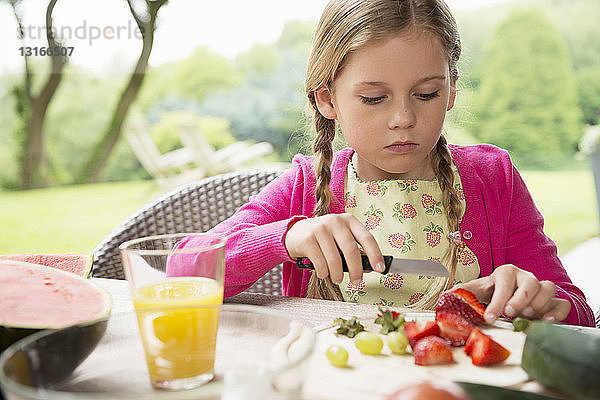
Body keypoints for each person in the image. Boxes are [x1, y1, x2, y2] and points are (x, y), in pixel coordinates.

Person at [175, 0, 594, 326]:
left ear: (451, 90)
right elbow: (182, 270)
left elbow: (578, 312)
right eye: (374, 99)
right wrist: (286, 238)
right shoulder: (304, 187)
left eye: (426, 93)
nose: (403, 119)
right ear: (326, 98)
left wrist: (539, 301)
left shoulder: (493, 178)